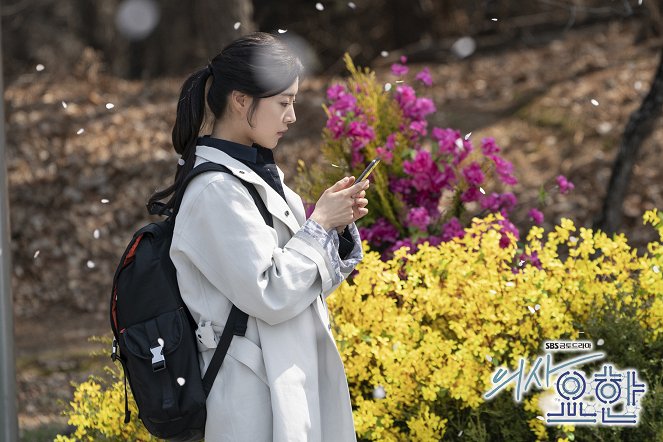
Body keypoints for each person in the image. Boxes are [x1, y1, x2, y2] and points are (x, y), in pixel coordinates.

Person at [150, 32, 370, 442]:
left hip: (285, 377)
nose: (292, 117)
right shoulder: (215, 191)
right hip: (249, 394)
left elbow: (303, 285)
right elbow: (271, 293)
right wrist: (318, 226)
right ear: (241, 100)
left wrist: (333, 229)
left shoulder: (256, 176)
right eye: (283, 103)